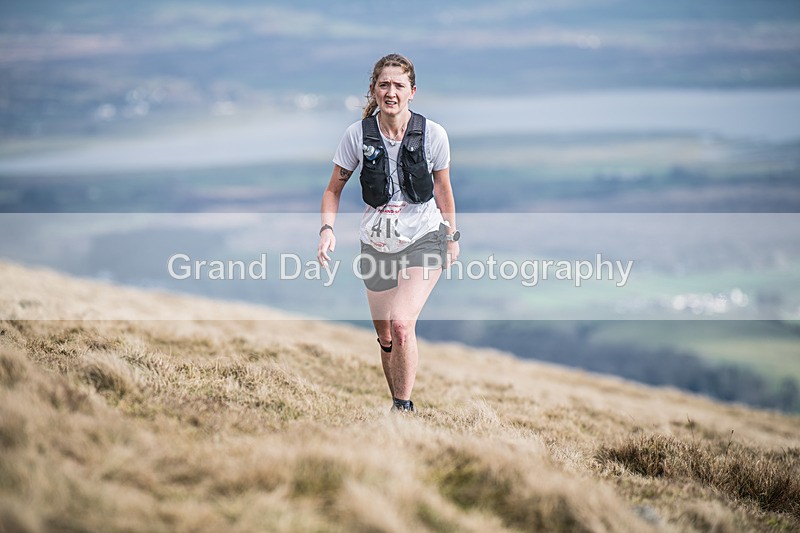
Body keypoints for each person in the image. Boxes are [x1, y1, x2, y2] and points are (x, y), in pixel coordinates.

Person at [317, 53, 459, 413]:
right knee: (385, 335)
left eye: (398, 85)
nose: (391, 92)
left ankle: (403, 408)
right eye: (384, 85)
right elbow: (333, 190)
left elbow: (443, 189)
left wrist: (452, 235)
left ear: (413, 91)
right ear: (373, 90)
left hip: (425, 236)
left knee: (400, 324)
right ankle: (397, 399)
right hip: (377, 242)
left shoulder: (433, 135)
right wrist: (327, 230)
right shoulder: (356, 136)